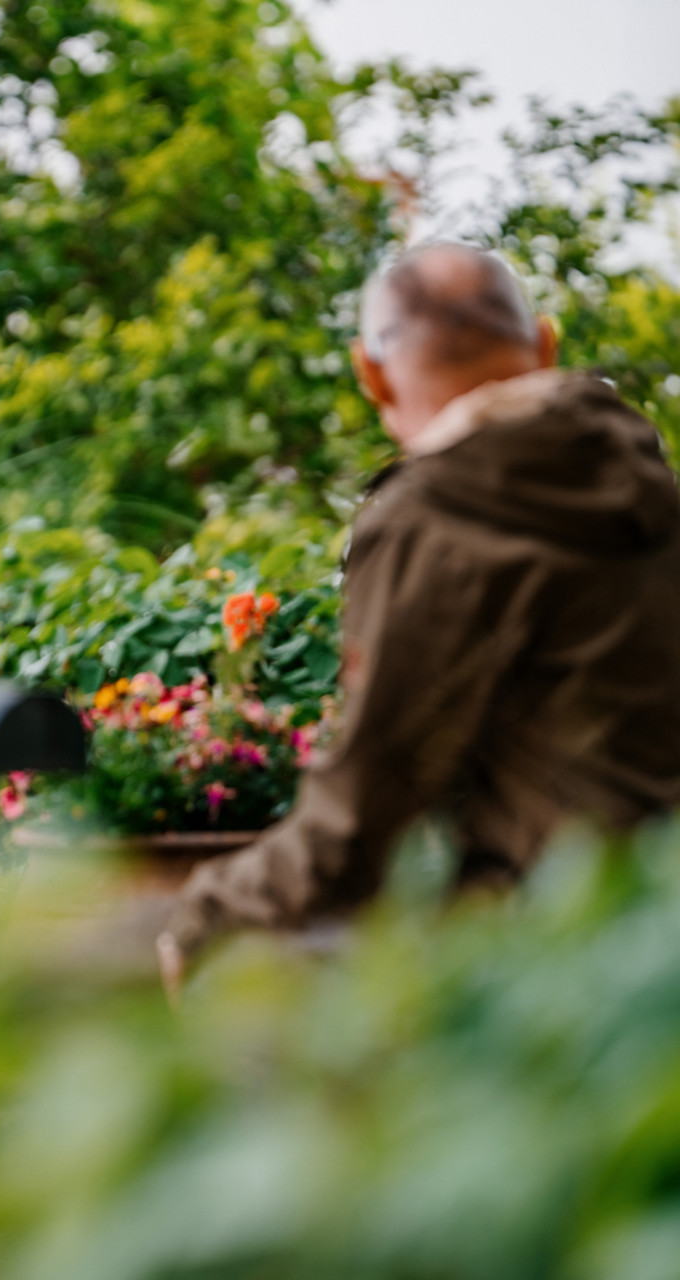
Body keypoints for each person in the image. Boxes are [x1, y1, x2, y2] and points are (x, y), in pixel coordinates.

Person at [158, 242, 680, 992]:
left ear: (369, 371)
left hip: (558, 964)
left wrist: (206, 916)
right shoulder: (652, 487)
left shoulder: (432, 519)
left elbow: (368, 811)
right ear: (544, 344)